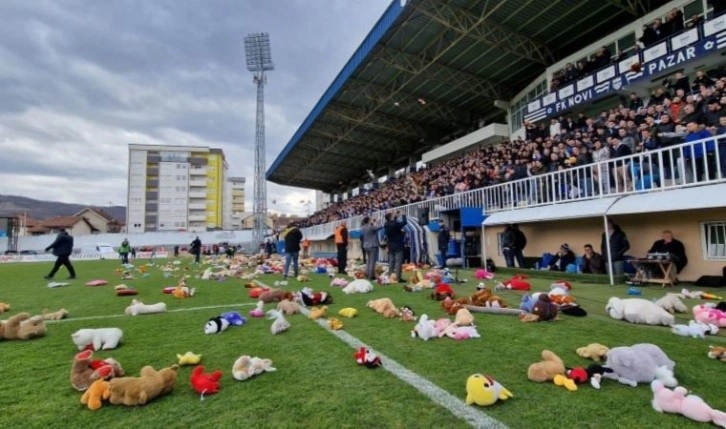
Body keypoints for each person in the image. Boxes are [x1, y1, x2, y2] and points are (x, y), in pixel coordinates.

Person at [384, 211, 407, 282]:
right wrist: (403, 215)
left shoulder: (386, 224)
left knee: (391, 262)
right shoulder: (395, 223)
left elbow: (393, 223)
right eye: (393, 214)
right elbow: (404, 223)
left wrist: (395, 216)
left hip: (390, 245)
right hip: (398, 245)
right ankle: (398, 278)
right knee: (398, 262)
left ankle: (390, 276)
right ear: (391, 217)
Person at [360, 216, 382, 281]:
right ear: (368, 221)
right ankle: (371, 276)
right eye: (371, 220)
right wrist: (378, 222)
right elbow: (380, 227)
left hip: (366, 245)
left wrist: (373, 223)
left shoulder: (363, 227)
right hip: (372, 245)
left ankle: (368, 273)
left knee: (369, 261)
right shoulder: (371, 227)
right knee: (372, 261)